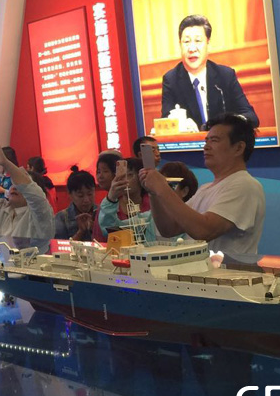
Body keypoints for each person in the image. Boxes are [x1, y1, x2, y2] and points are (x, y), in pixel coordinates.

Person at [140, 114, 265, 255]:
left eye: (214, 140)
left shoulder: (245, 185)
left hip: (228, 269)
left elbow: (204, 231)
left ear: (238, 148)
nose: (206, 147)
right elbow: (169, 229)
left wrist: (162, 188)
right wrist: (153, 192)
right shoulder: (205, 188)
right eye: (206, 141)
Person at [160, 14, 258, 131]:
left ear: (208, 44)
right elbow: (166, 124)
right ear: (180, 45)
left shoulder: (225, 75)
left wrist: (229, 122)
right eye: (186, 42)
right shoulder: (171, 80)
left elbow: (251, 117)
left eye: (198, 41)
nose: (192, 48)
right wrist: (183, 126)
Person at [99, 156, 153, 239]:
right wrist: (111, 198)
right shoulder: (108, 204)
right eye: (121, 175)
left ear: (141, 177)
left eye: (130, 175)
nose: (125, 179)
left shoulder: (152, 203)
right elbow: (108, 232)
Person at [54, 167, 102, 240]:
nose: (86, 200)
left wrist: (96, 230)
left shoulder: (103, 213)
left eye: (90, 194)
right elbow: (60, 246)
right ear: (70, 194)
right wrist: (80, 232)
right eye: (80, 196)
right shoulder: (61, 218)